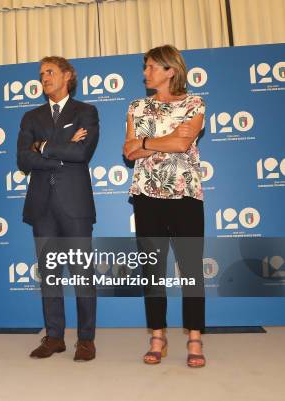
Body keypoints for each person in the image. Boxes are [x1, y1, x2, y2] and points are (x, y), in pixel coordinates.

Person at [123, 44, 207, 368]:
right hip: (146, 196)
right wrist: (160, 140)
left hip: (186, 195)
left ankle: (195, 338)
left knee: (191, 271)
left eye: (151, 67)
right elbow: (129, 152)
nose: (145, 73)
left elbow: (183, 143)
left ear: (170, 70)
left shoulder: (195, 102)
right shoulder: (135, 107)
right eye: (145, 67)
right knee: (152, 271)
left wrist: (145, 142)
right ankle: (157, 336)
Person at [17, 56, 99, 362]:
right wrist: (63, 145)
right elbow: (23, 159)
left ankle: (86, 340)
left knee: (82, 275)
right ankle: (54, 337)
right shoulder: (31, 117)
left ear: (68, 76)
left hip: (74, 205)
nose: (43, 77)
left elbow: (83, 152)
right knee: (49, 275)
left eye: (50, 72)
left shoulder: (86, 112)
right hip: (42, 206)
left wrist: (44, 146)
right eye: (41, 74)